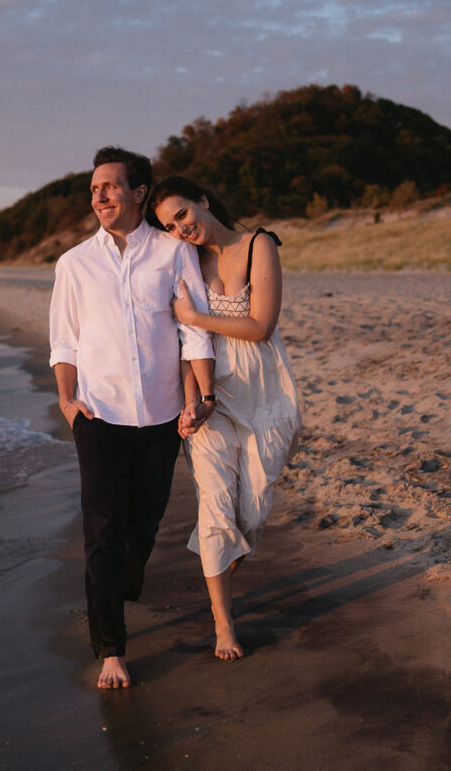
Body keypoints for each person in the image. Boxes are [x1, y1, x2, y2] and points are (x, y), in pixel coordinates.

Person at [49, 148, 215, 689]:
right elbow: (64, 340)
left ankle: (118, 585)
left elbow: (193, 329)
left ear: (139, 193)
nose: (99, 196)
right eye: (94, 188)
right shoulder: (74, 263)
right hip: (98, 415)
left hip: (163, 415)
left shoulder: (171, 252)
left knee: (143, 525)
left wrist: (201, 394)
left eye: (110, 187)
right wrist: (67, 403)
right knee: (101, 530)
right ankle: (111, 649)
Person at [149, 176, 301, 661]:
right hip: (211, 395)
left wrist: (197, 318)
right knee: (216, 508)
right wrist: (193, 400)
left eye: (183, 215)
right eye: (169, 225)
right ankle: (223, 622)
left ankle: (220, 585)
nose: (180, 228)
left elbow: (260, 326)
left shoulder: (258, 244)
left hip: (264, 393)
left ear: (204, 201)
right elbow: (185, 346)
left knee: (251, 513)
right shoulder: (184, 261)